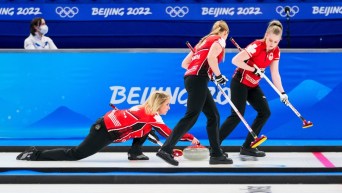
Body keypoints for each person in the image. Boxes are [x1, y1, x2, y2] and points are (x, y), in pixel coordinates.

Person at [16, 91, 199, 161]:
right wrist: (192, 138)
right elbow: (172, 134)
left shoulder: (143, 109)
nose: (169, 107)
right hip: (103, 131)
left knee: (145, 129)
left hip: (105, 123)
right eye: (167, 104)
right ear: (159, 105)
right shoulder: (152, 116)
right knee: (76, 154)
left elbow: (141, 126)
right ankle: (34, 154)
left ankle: (134, 152)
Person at [156, 20, 233, 166]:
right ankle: (166, 149)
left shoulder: (202, 42)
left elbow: (185, 64)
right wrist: (218, 75)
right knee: (191, 115)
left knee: (213, 115)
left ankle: (216, 153)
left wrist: (208, 73)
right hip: (198, 79)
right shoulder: (220, 40)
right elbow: (211, 58)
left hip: (192, 78)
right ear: (225, 33)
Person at [219, 20, 288, 158]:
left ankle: (248, 147)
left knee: (265, 112)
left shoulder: (275, 51)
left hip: (253, 85)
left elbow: (275, 73)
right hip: (240, 82)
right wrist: (252, 69)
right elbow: (236, 60)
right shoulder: (256, 46)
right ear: (266, 35)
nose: (272, 44)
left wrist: (282, 92)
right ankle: (215, 146)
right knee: (237, 115)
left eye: (275, 42)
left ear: (279, 40)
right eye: (270, 40)